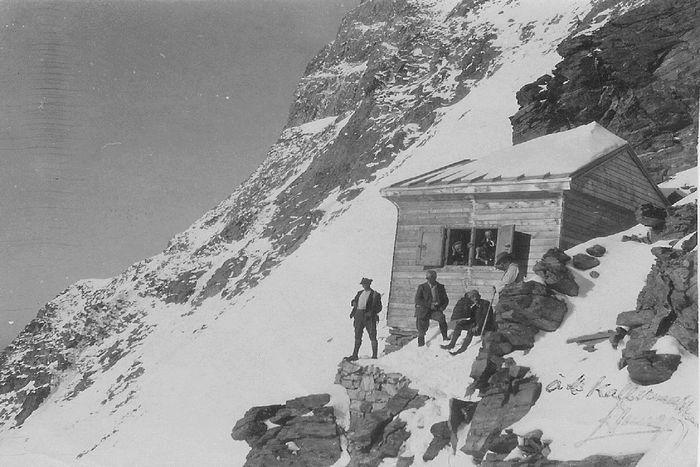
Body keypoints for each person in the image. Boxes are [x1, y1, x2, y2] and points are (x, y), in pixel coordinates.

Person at [441, 289, 493, 355]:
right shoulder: (474, 307)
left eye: (475, 296)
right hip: (477, 324)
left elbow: (485, 317)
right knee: (460, 324)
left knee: (471, 330)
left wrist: (478, 326)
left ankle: (462, 349)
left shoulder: (485, 304)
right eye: (472, 297)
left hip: (486, 326)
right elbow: (472, 319)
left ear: (478, 296)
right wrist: (463, 321)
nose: (474, 298)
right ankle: (451, 344)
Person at [345, 277, 382, 361]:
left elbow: (379, 307)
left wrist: (372, 313)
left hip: (369, 316)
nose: (364, 286)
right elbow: (354, 301)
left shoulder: (375, 294)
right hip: (358, 315)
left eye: (365, 284)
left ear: (369, 284)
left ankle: (374, 356)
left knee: (372, 334)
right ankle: (355, 355)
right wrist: (353, 303)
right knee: (357, 334)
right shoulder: (359, 293)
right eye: (363, 284)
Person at [414, 270, 449, 346]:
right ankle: (421, 345)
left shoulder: (440, 287)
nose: (428, 280)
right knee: (421, 328)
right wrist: (429, 305)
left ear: (434, 278)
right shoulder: (422, 287)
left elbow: (446, 299)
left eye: (430, 278)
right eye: (427, 278)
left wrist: (441, 308)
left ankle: (445, 338)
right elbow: (417, 300)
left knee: (441, 318)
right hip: (423, 309)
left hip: (435, 310)